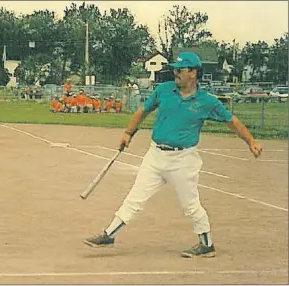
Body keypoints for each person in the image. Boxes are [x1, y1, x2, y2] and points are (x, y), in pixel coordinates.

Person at [83, 52, 263, 258]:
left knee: (190, 205)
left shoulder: (207, 102)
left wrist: (251, 142)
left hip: (183, 160)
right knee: (135, 197)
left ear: (193, 73)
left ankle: (206, 244)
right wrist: (127, 133)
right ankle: (109, 234)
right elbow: (142, 111)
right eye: (174, 69)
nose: (175, 73)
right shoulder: (163, 90)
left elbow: (232, 121)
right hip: (155, 155)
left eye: (180, 70)